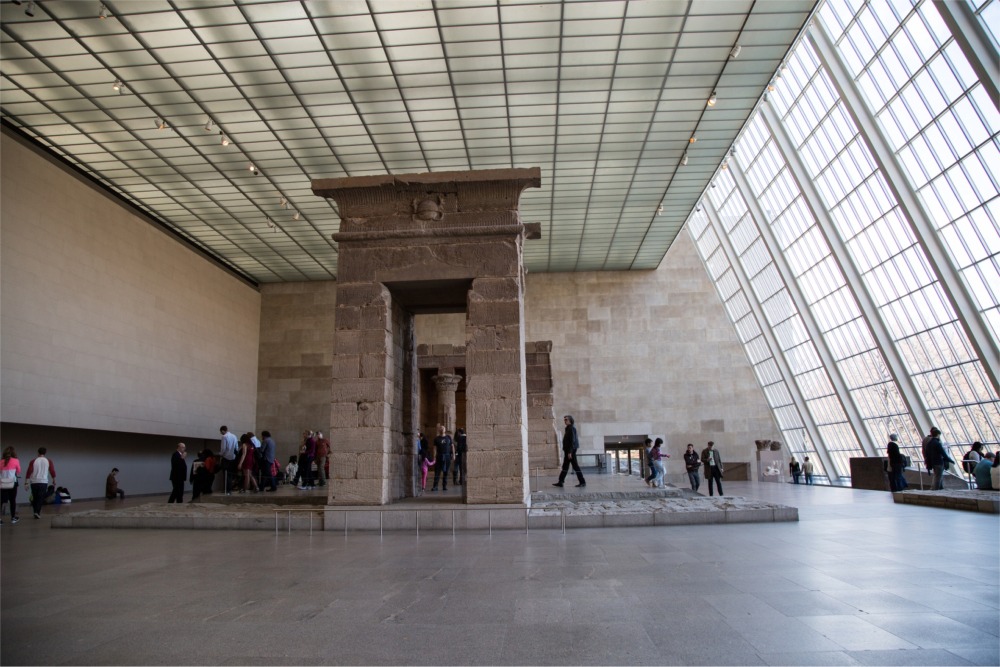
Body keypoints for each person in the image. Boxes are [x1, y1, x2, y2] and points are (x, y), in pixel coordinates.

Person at [554, 415, 586, 488]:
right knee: (565, 466)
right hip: (568, 451)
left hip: (571, 451)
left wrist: (570, 452)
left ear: (570, 420)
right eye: (564, 420)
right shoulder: (568, 428)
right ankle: (560, 481)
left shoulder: (571, 428)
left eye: (566, 420)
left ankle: (582, 482)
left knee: (575, 466)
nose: (565, 421)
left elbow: (572, 441)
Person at [25, 447, 56, 519]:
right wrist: (54, 479)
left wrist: (26, 482)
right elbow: (52, 471)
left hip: (34, 482)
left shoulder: (33, 461)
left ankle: (35, 511)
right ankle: (37, 512)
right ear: (45, 453)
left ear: (38, 452)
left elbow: (29, 472)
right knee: (40, 497)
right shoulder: (48, 461)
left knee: (35, 497)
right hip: (43, 482)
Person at [1, 446, 22, 524]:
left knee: (1, 501)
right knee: (12, 500)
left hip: (2, 483)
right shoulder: (16, 460)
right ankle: (13, 518)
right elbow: (19, 471)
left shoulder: (1, 461)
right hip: (13, 483)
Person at [431, 425, 454, 492]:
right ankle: (435, 486)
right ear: (439, 430)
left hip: (447, 456)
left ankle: (444, 486)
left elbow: (452, 446)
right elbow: (435, 448)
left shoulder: (448, 437)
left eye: (443, 428)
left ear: (445, 430)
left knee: (446, 472)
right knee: (437, 472)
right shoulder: (436, 439)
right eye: (440, 428)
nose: (442, 429)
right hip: (439, 456)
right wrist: (434, 457)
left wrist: (453, 455)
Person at [219, 426, 239, 494]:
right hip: (233, 458)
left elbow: (223, 448)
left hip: (226, 458)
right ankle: (230, 489)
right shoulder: (234, 436)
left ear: (222, 431)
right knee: (230, 475)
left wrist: (221, 454)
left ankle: (226, 489)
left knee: (226, 475)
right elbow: (236, 447)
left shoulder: (224, 437)